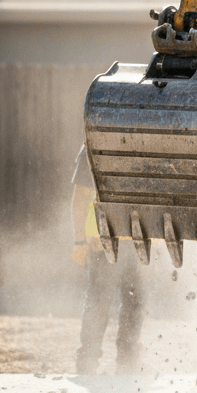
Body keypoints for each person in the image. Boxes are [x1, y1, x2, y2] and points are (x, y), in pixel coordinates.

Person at [71, 146, 145, 374]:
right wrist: (79, 241)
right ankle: (89, 363)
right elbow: (81, 196)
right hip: (107, 239)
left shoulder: (97, 143)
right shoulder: (94, 144)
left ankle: (124, 365)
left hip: (136, 240)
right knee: (102, 302)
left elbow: (80, 196)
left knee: (131, 303)